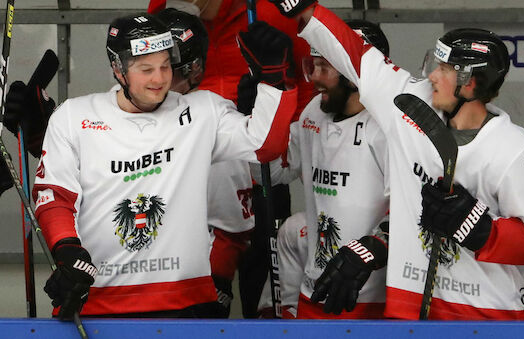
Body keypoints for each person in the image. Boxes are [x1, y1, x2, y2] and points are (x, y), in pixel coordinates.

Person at [268, 0, 524, 320]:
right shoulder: (408, 104)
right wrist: (305, 9)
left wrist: (481, 230)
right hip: (418, 310)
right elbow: (355, 54)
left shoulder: (515, 150)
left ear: (471, 82)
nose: (432, 75)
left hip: (490, 313)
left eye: (444, 68)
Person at [32, 12, 297, 318]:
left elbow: (265, 146)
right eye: (146, 69)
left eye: (165, 66)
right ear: (118, 69)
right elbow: (54, 195)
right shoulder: (73, 116)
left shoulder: (203, 110)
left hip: (187, 301)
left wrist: (274, 81)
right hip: (99, 300)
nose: (159, 79)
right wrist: (66, 250)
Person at [148, 0, 316, 317]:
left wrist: (292, 143)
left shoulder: (267, 10)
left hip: (261, 157)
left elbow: (305, 77)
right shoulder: (164, 7)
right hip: (195, 159)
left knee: (264, 273)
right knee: (199, 277)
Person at [254, 19, 391, 319]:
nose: (313, 77)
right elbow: (274, 173)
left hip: (367, 298)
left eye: (324, 68)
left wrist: (371, 250)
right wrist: (260, 116)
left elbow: (412, 211)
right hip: (312, 293)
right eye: (311, 65)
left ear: (358, 74)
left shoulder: (389, 128)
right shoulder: (314, 109)